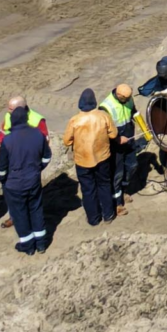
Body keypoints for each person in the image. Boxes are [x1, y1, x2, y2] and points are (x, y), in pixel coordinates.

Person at [0, 97, 53, 253]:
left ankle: (28, 246)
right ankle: (41, 243)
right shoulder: (37, 135)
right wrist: (37, 169)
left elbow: (1, 168)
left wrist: (4, 180)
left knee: (19, 214)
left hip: (14, 184)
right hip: (33, 179)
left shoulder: (8, 141)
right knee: (36, 210)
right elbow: (47, 156)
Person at [63, 88, 118, 228]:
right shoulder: (103, 116)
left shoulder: (74, 120)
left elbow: (66, 141)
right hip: (102, 157)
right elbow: (113, 134)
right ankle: (108, 214)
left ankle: (93, 218)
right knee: (104, 185)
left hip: (83, 160)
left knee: (88, 190)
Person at [101, 80, 140, 200]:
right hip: (115, 146)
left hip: (128, 141)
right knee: (117, 173)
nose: (129, 100)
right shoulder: (106, 107)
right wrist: (117, 139)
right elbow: (103, 131)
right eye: (126, 98)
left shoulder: (128, 99)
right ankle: (117, 201)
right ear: (119, 96)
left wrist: (142, 124)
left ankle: (124, 189)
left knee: (132, 165)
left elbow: (133, 112)